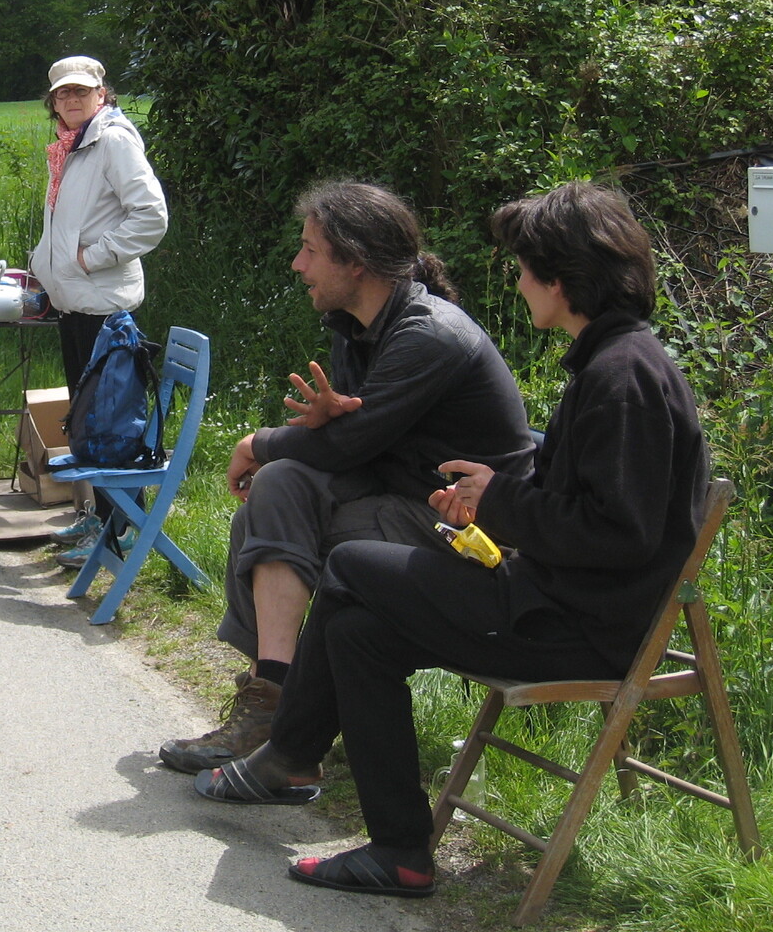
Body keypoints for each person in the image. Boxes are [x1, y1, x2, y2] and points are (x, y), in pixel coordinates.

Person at [197, 182, 709, 903]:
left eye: (525, 270)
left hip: (576, 628)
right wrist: (485, 496)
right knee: (358, 630)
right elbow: (588, 510)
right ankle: (396, 850)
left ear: (561, 280)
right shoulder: (615, 363)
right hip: (553, 603)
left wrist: (496, 499)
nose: (518, 284)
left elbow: (617, 535)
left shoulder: (620, 378)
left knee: (350, 567)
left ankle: (290, 754)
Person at [158, 181, 533, 773]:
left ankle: (285, 725)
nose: (297, 263)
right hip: (396, 497)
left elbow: (349, 443)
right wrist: (321, 428)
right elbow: (349, 441)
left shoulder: (429, 334)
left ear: (356, 261)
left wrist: (257, 442)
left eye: (310, 250)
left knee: (273, 514)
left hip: (466, 533)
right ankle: (272, 703)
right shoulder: (354, 324)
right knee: (279, 487)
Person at [28, 56, 168, 566]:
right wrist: (45, 271)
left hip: (104, 309)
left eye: (81, 92)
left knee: (110, 425)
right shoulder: (72, 145)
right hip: (76, 305)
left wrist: (91, 258)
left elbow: (151, 216)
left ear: (102, 94)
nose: (72, 99)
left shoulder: (112, 141)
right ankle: (99, 515)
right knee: (87, 423)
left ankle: (122, 528)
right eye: (63, 93)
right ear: (53, 101)